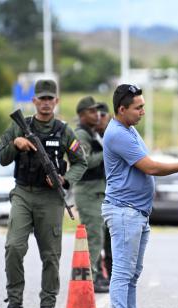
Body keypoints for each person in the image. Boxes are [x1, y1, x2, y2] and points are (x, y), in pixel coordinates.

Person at [102, 83, 178, 308]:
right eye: (138, 107)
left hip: (137, 212)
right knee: (123, 273)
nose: (143, 112)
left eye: (143, 106)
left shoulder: (130, 130)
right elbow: (148, 166)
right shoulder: (117, 134)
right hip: (125, 211)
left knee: (132, 274)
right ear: (122, 109)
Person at [0, 79, 87, 308]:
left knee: (50, 254)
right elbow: (2, 157)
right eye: (42, 99)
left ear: (56, 102)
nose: (46, 103)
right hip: (23, 193)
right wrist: (16, 145)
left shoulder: (64, 130)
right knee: (14, 247)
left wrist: (65, 180)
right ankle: (14, 303)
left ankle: (48, 304)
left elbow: (81, 161)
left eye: (50, 99)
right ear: (34, 101)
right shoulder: (20, 126)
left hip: (50, 199)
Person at [73, 96, 109, 293]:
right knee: (94, 236)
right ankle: (92, 278)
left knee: (98, 235)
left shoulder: (91, 133)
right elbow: (85, 161)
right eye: (91, 111)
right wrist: (107, 150)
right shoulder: (81, 135)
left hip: (96, 191)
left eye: (98, 111)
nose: (97, 115)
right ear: (82, 115)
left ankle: (95, 275)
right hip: (88, 192)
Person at [95, 102, 113, 281]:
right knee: (97, 234)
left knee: (110, 236)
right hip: (96, 192)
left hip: (113, 192)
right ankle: (99, 273)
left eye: (102, 115)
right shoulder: (89, 136)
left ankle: (111, 272)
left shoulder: (114, 134)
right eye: (96, 115)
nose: (98, 119)